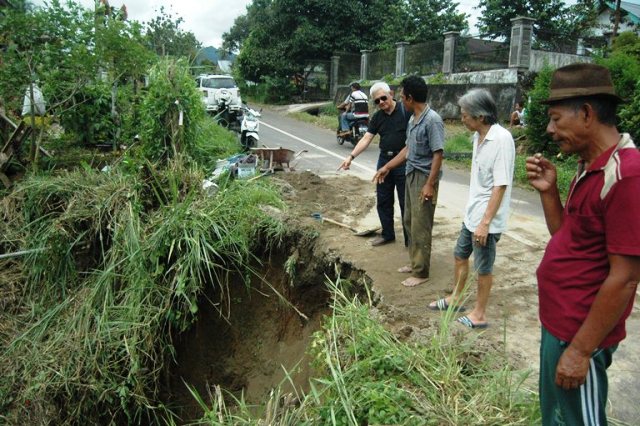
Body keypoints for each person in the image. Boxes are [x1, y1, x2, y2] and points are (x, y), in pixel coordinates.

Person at [525, 63, 640, 425]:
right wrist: (548, 193)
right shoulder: (589, 165)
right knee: (558, 416)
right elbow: (567, 240)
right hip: (559, 324)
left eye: (556, 119)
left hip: (579, 332)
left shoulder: (627, 175)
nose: (550, 130)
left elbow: (625, 278)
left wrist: (580, 351)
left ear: (587, 113)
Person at [427, 89, 515, 329]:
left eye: (465, 115)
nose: (462, 118)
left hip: (486, 219)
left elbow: (500, 185)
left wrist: (485, 223)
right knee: (459, 254)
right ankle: (456, 297)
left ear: (481, 116)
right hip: (472, 214)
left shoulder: (502, 139)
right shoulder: (478, 137)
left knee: (483, 267)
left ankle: (480, 313)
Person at [372, 75, 444, 287]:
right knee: (409, 221)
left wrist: (430, 184)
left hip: (424, 178)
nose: (401, 100)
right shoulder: (413, 119)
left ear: (410, 98)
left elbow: (438, 154)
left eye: (402, 96)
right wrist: (387, 166)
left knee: (421, 225)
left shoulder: (433, 120)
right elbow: (408, 149)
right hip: (410, 173)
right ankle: (415, 263)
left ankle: (421, 273)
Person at [338, 82, 410, 247]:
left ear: (391, 94)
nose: (381, 102)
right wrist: (351, 156)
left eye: (383, 98)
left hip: (402, 161)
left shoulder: (406, 112)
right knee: (383, 199)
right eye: (377, 101)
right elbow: (367, 138)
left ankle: (410, 239)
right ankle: (387, 234)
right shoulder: (378, 117)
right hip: (384, 159)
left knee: (405, 202)